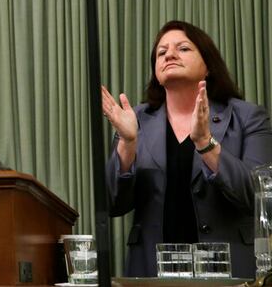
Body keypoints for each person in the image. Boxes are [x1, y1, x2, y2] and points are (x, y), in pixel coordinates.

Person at [103, 20, 272, 278]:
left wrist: (206, 143)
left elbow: (258, 196)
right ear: (156, 72)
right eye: (161, 52)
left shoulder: (247, 117)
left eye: (183, 48)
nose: (169, 54)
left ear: (208, 66)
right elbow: (112, 204)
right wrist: (127, 143)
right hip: (151, 273)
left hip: (229, 273)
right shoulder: (135, 120)